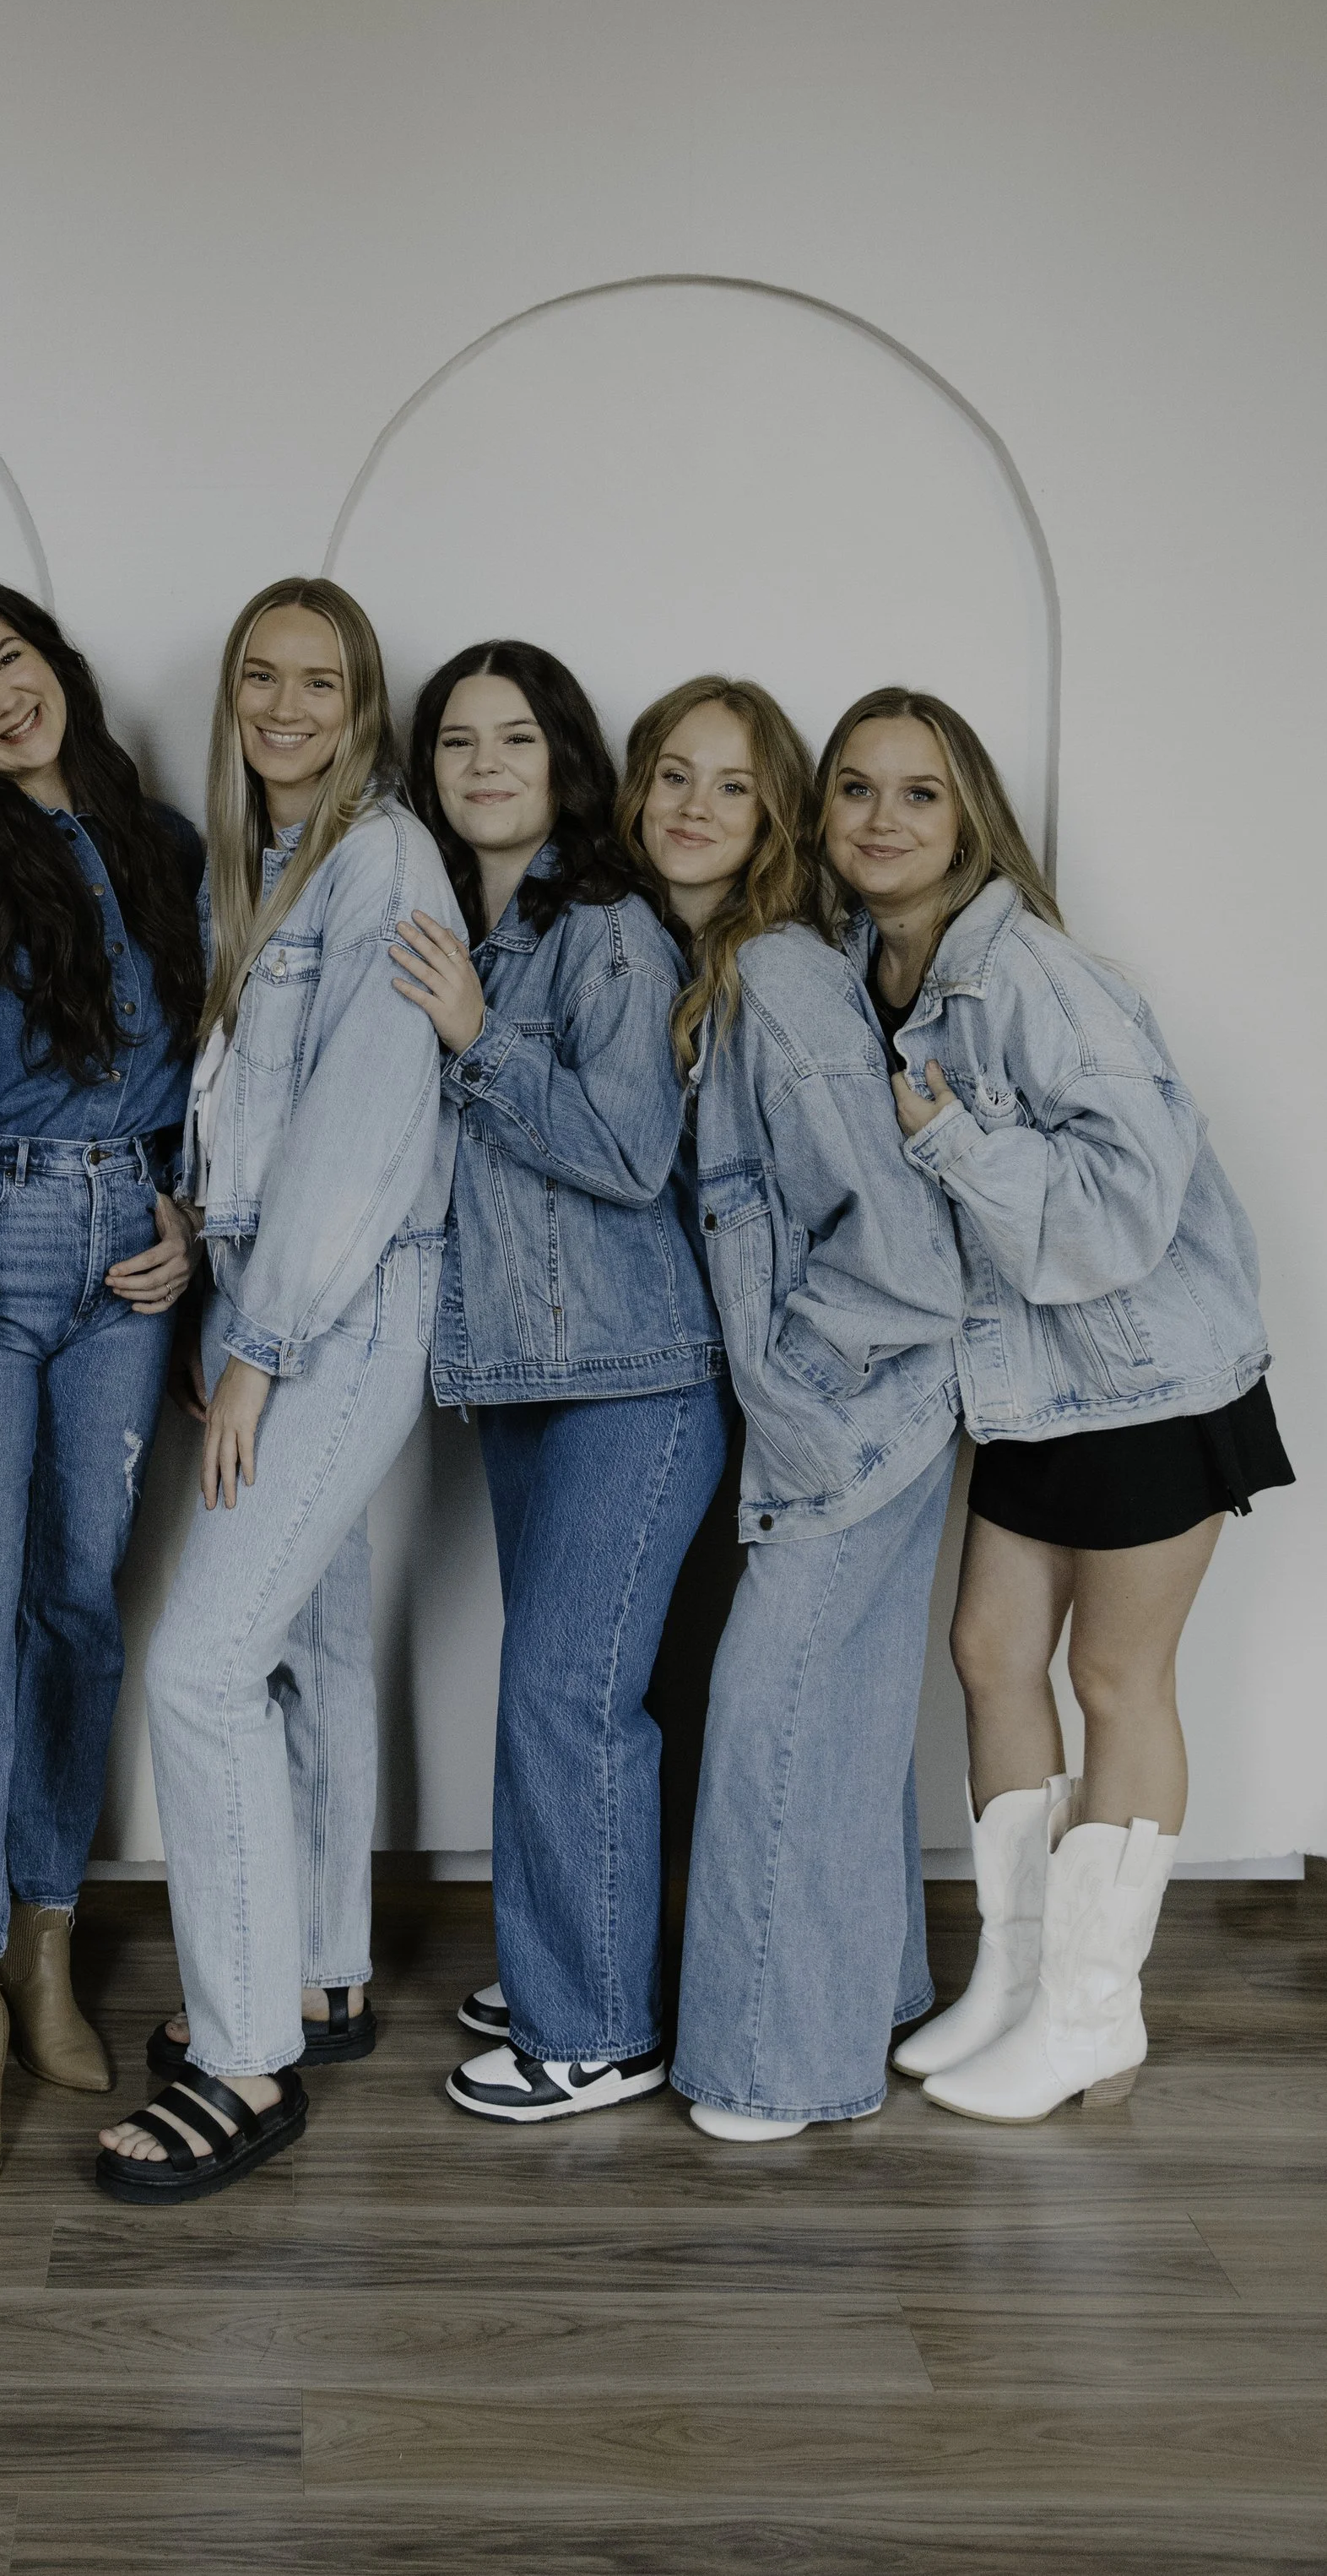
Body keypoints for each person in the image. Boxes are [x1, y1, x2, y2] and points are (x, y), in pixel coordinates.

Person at [814, 691, 1291, 2121]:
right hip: (1029, 1390)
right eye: (855, 789)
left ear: (972, 820)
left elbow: (1120, 1215)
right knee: (988, 1652)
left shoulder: (1035, 977)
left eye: (920, 794)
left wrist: (951, 1137)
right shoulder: (867, 967)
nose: (883, 820)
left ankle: (1094, 2015)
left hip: (1147, 1378)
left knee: (1115, 1682)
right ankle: (1017, 1976)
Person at [95, 577, 458, 2203]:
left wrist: (257, 1349)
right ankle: (319, 1965)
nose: (287, 708)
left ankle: (247, 2058)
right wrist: (190, 1222)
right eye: (262, 678)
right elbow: (254, 1113)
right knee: (305, 1637)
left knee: (201, 1668)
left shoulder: (382, 857)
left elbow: (362, 1140)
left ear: (362, 702)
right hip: (269, 1288)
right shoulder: (273, 869)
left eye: (323, 682)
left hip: (340, 1311)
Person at [0, 572, 204, 2210]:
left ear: (48, 658)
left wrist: (186, 1212)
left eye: (6, 660)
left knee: (76, 1606)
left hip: (121, 1266)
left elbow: (209, 1071)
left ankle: (41, 1944)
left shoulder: (161, 840)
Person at [389, 642, 728, 2123]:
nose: (482, 765)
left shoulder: (603, 932)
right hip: (532, 1378)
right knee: (556, 1691)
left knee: (569, 1700)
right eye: (457, 741)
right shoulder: (475, 922)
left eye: (513, 739)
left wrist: (473, 1039)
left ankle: (594, 2028)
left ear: (563, 761)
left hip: (634, 1381)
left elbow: (623, 1152)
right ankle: (559, 1966)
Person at [649, 678, 968, 2143]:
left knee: (770, 1719)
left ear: (771, 815)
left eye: (734, 785)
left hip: (856, 1422)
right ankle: (874, 1996)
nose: (693, 808)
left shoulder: (776, 980)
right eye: (671, 775)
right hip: (878, 1420)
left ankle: (775, 2066)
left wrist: (791, 1375)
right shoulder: (775, 965)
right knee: (835, 1724)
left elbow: (895, 1252)